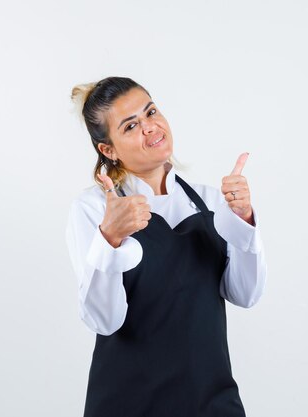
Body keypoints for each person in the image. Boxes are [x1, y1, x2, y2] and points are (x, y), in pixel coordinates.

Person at [66, 76, 267, 417]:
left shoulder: (209, 200)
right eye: (130, 126)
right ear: (108, 150)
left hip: (211, 401)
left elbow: (245, 294)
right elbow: (104, 321)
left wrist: (244, 219)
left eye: (151, 112)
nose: (150, 128)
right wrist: (110, 238)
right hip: (127, 404)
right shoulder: (93, 210)